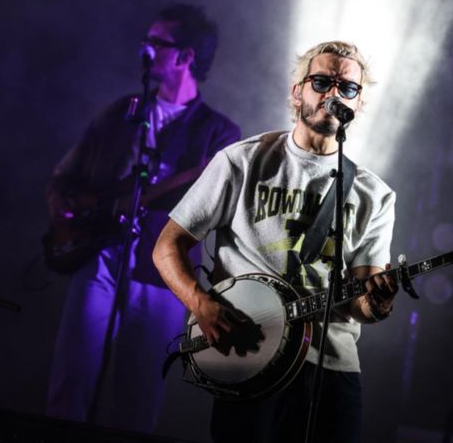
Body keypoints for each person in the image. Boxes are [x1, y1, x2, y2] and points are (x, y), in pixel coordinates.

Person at [152, 40, 398, 443]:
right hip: (253, 355)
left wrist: (379, 302)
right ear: (297, 91)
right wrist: (201, 304)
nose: (334, 94)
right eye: (322, 82)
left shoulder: (375, 195)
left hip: (331, 369)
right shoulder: (242, 161)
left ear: (359, 103)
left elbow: (361, 305)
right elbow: (167, 246)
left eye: (348, 87)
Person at [44, 4, 241, 433]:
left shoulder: (220, 134)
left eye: (156, 42)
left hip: (164, 274)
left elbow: (215, 211)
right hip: (100, 258)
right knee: (70, 383)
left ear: (186, 56)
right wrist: (62, 208)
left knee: (139, 399)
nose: (144, 49)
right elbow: (65, 174)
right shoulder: (122, 111)